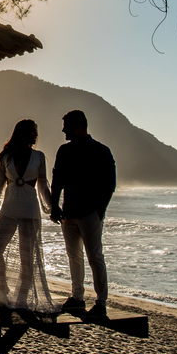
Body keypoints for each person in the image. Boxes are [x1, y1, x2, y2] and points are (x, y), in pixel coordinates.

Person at [0, 119, 58, 313]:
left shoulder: (39, 157)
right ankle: (3, 288)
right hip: (9, 209)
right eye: (32, 131)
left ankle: (22, 298)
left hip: (30, 211)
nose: (35, 135)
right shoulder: (6, 157)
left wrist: (52, 208)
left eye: (36, 132)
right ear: (22, 133)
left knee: (28, 258)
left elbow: (43, 186)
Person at [50, 109, 116, 319]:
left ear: (78, 127)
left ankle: (101, 303)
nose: (63, 131)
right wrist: (54, 206)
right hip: (69, 212)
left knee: (94, 257)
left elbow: (109, 184)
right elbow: (57, 181)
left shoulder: (101, 151)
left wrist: (100, 211)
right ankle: (77, 298)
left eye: (67, 127)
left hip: (89, 213)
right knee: (75, 257)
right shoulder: (64, 151)